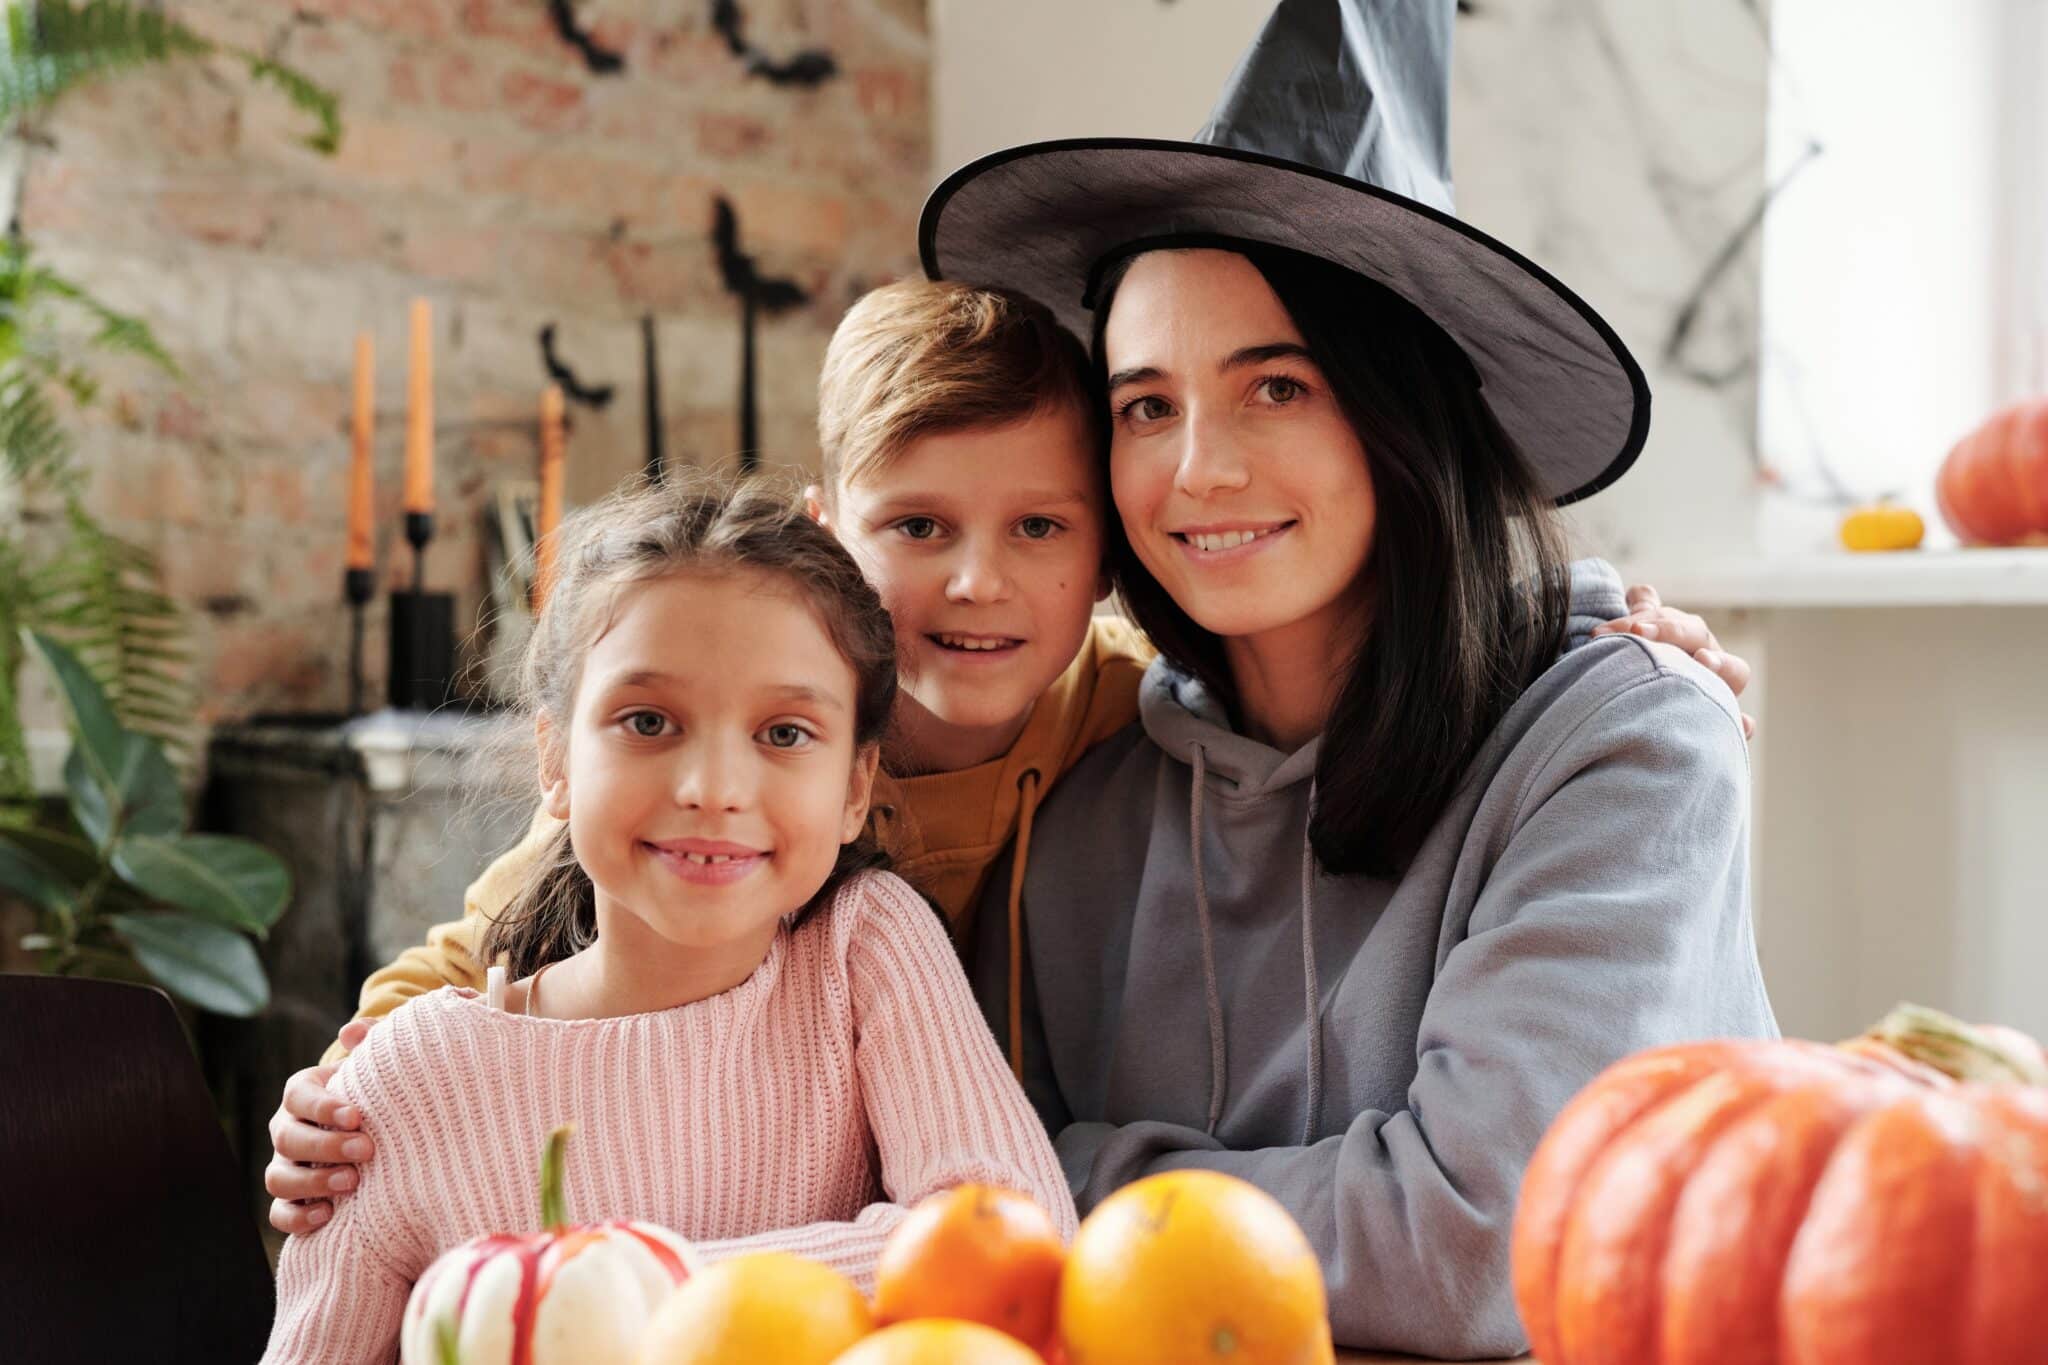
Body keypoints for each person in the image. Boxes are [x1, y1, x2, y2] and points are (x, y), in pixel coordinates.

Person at [264, 277, 1754, 1232]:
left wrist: (1587, 615)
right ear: (828, 530)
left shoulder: (1119, 709)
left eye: (1039, 528)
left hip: (940, 1226)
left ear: (1100, 550)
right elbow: (497, 933)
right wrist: (346, 1098)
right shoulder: (741, 756)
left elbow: (1414, 619)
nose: (978, 585)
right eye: (918, 529)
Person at [923, 1, 1777, 1355]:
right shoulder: (1074, 813)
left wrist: (1077, 1176)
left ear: (1399, 414)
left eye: (1278, 386)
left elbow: (1476, 1249)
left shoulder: (1625, 744)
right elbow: (942, 1200)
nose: (1197, 466)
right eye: (1147, 402)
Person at [261, 480, 1073, 1363]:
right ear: (556, 758)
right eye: (648, 721)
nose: (712, 787)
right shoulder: (405, 1086)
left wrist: (602, 1299)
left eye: (786, 733)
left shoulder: (863, 947)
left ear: (853, 787)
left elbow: (1013, 1245)